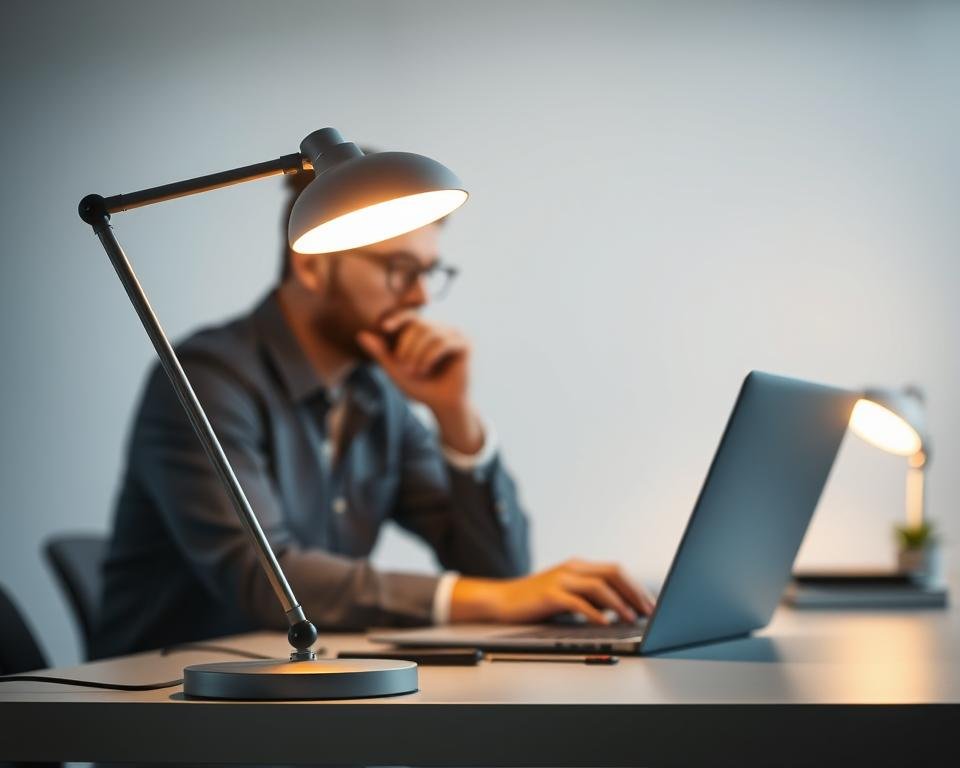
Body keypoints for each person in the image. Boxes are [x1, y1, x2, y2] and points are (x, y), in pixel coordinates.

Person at [92, 166, 653, 659]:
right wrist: (497, 598)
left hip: (309, 703)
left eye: (428, 273)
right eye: (400, 270)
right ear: (312, 267)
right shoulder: (203, 380)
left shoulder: (374, 395)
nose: (420, 299)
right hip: (172, 711)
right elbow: (269, 582)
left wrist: (454, 416)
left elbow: (499, 573)